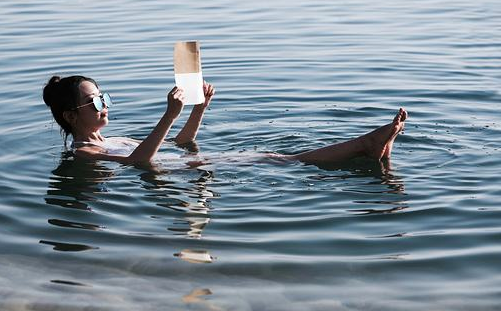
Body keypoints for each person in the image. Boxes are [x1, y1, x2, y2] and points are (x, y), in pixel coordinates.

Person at [43, 75, 407, 165]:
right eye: (95, 101)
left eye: (104, 97)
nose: (104, 105)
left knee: (274, 157)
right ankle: (365, 145)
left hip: (190, 163)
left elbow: (179, 145)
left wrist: (197, 109)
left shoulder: (109, 139)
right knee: (282, 160)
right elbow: (139, 162)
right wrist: (169, 115)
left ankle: (373, 148)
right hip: (185, 173)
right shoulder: (84, 155)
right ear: (71, 116)